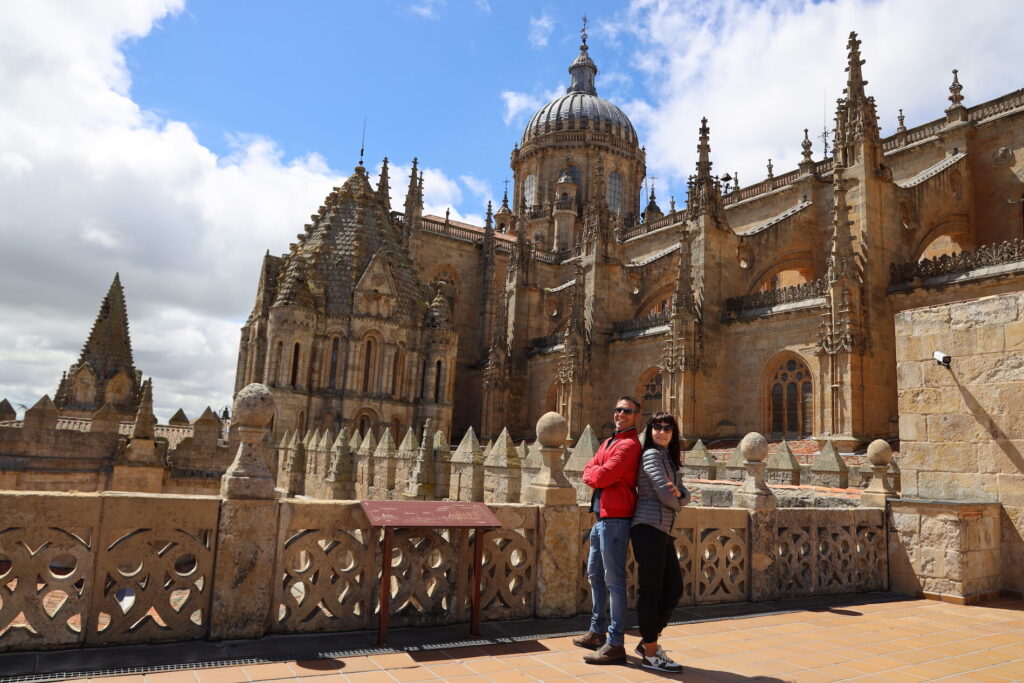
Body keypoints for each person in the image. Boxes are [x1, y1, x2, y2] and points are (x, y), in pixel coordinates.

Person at [573, 396, 643, 665]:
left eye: (627, 411)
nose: (620, 414)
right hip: (601, 517)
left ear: (637, 416)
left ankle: (616, 643)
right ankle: (597, 631)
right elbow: (590, 469)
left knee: (614, 582)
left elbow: (598, 476)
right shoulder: (608, 442)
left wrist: (595, 471)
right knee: (595, 576)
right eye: (618, 409)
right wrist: (595, 471)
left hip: (616, 519)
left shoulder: (629, 445)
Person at [630, 411, 690, 672]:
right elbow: (667, 493)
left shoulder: (668, 458)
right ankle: (651, 654)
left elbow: (682, 490)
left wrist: (680, 496)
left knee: (674, 588)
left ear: (674, 433)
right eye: (657, 427)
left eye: (668, 428)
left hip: (662, 530)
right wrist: (679, 500)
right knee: (651, 591)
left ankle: (648, 643)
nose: (662, 431)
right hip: (647, 527)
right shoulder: (652, 455)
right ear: (650, 430)